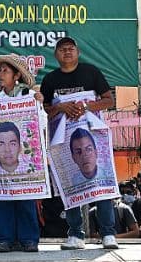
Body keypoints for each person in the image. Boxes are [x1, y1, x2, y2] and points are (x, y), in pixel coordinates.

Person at [39, 36, 117, 250]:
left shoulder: (91, 72)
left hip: (91, 136)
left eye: (71, 48)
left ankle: (108, 233)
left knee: (101, 184)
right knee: (69, 184)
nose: (67, 52)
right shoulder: (50, 80)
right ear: (56, 54)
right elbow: (45, 108)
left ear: (78, 52)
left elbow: (109, 100)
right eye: (62, 49)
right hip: (64, 142)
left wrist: (86, 106)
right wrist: (62, 108)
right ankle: (75, 234)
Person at [0, 54, 44, 252]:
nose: (0, 74)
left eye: (5, 70)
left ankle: (29, 239)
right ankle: (5, 239)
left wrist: (38, 103)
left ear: (16, 74)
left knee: (25, 199)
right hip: (0, 159)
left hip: (23, 158)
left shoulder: (27, 95)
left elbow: (40, 122)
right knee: (3, 199)